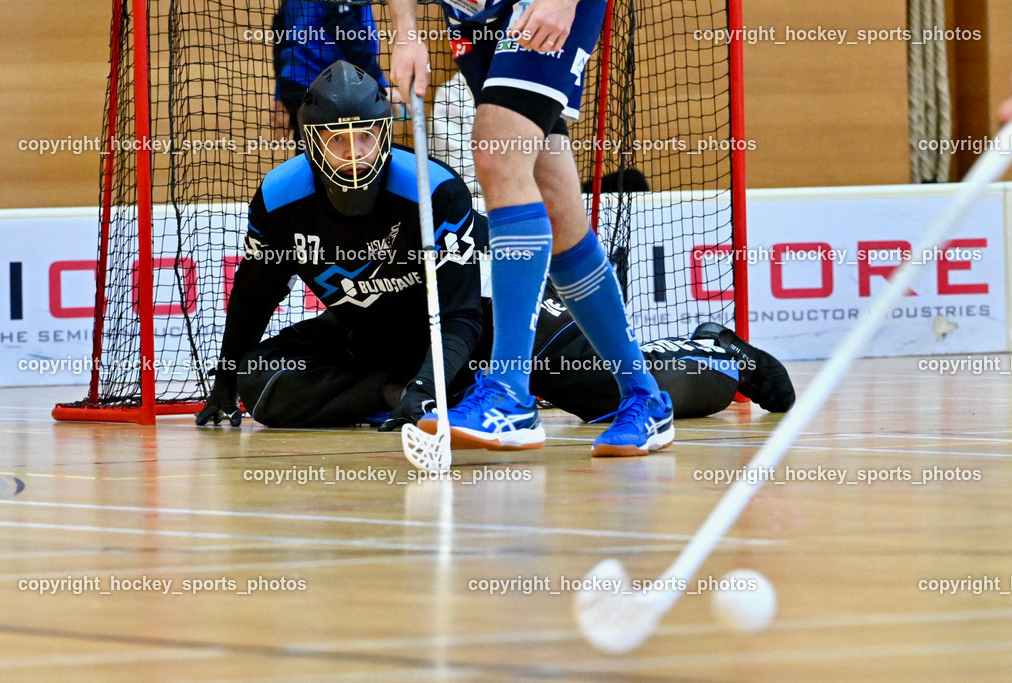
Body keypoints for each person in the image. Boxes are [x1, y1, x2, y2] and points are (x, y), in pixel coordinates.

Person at [196, 61, 796, 439]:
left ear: (383, 134)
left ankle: (719, 354)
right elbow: (255, 295)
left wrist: (431, 378)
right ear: (310, 142)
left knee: (601, 390)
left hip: (483, 326)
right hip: (371, 340)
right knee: (261, 384)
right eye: (336, 139)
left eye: (364, 137)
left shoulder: (432, 189)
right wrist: (224, 380)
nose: (352, 154)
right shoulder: (279, 198)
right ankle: (421, 399)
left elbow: (458, 313)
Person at [388, 0, 677, 455]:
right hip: (474, 15)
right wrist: (404, 29)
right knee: (557, 209)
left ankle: (509, 394)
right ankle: (646, 398)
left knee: (496, 149)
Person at [270, 0, 402, 141]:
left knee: (311, 151)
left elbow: (280, 31)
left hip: (294, 84)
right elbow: (342, 25)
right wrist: (378, 83)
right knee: (366, 148)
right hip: (334, 87)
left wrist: (280, 94)